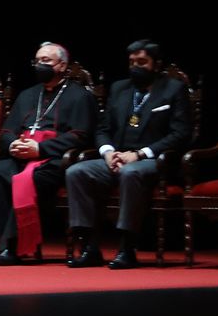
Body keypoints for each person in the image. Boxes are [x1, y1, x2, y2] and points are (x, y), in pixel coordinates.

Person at [64, 39, 192, 269]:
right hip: (116, 158)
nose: (136, 67)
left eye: (142, 62)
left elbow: (181, 134)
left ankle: (127, 247)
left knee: (131, 173)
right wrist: (108, 153)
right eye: (132, 62)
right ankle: (89, 247)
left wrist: (140, 154)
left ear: (156, 64)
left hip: (154, 161)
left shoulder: (173, 88)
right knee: (77, 171)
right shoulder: (119, 88)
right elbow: (102, 128)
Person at [0, 41, 97, 265]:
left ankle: (12, 246)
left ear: (62, 65)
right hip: (21, 154)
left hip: (54, 160)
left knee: (27, 180)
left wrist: (40, 148)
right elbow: (7, 130)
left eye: (45, 61)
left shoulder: (80, 96)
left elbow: (80, 135)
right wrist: (12, 146)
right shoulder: (27, 95)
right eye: (37, 61)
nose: (40, 65)